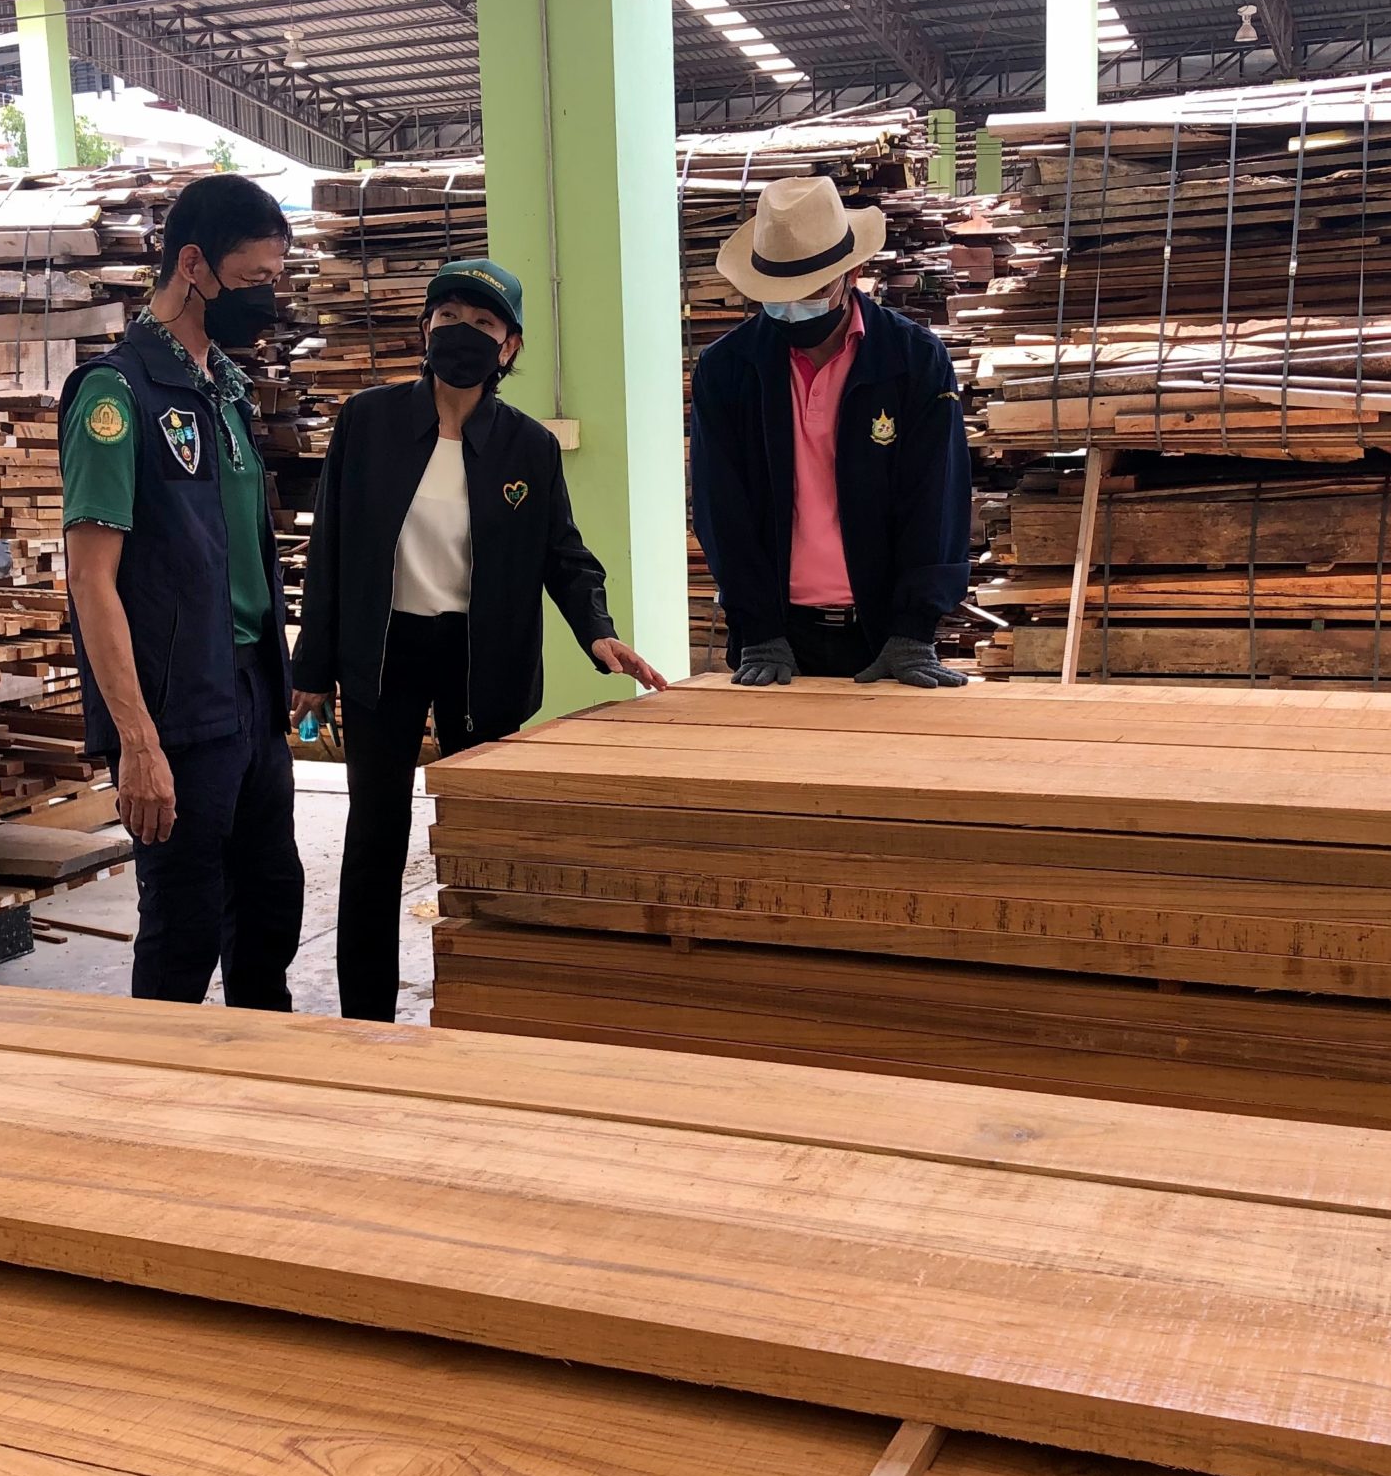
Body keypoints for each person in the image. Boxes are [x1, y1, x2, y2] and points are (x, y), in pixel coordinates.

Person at [293, 258, 667, 1022]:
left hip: (482, 659)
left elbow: (563, 553)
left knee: (480, 840)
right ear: (424, 329)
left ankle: (484, 1006)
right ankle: (365, 1020)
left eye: (483, 323)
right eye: (449, 318)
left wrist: (598, 633)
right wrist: (313, 665)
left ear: (510, 345)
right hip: (385, 654)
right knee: (374, 840)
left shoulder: (526, 446)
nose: (462, 332)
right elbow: (329, 546)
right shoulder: (368, 423)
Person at [62, 174, 303, 1008]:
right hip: (179, 709)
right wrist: (137, 741)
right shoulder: (118, 393)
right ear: (193, 265)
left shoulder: (224, 390)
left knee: (268, 911)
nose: (267, 299)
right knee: (184, 930)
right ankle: (158, 1083)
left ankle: (258, 1074)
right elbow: (91, 579)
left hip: (252, 693)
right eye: (254, 279)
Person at [689, 174, 972, 688]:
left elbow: (936, 497)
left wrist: (914, 628)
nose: (792, 308)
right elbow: (721, 507)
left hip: (886, 633)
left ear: (853, 272)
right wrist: (758, 628)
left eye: (811, 292)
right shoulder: (727, 370)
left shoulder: (914, 361)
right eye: (778, 296)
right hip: (777, 637)